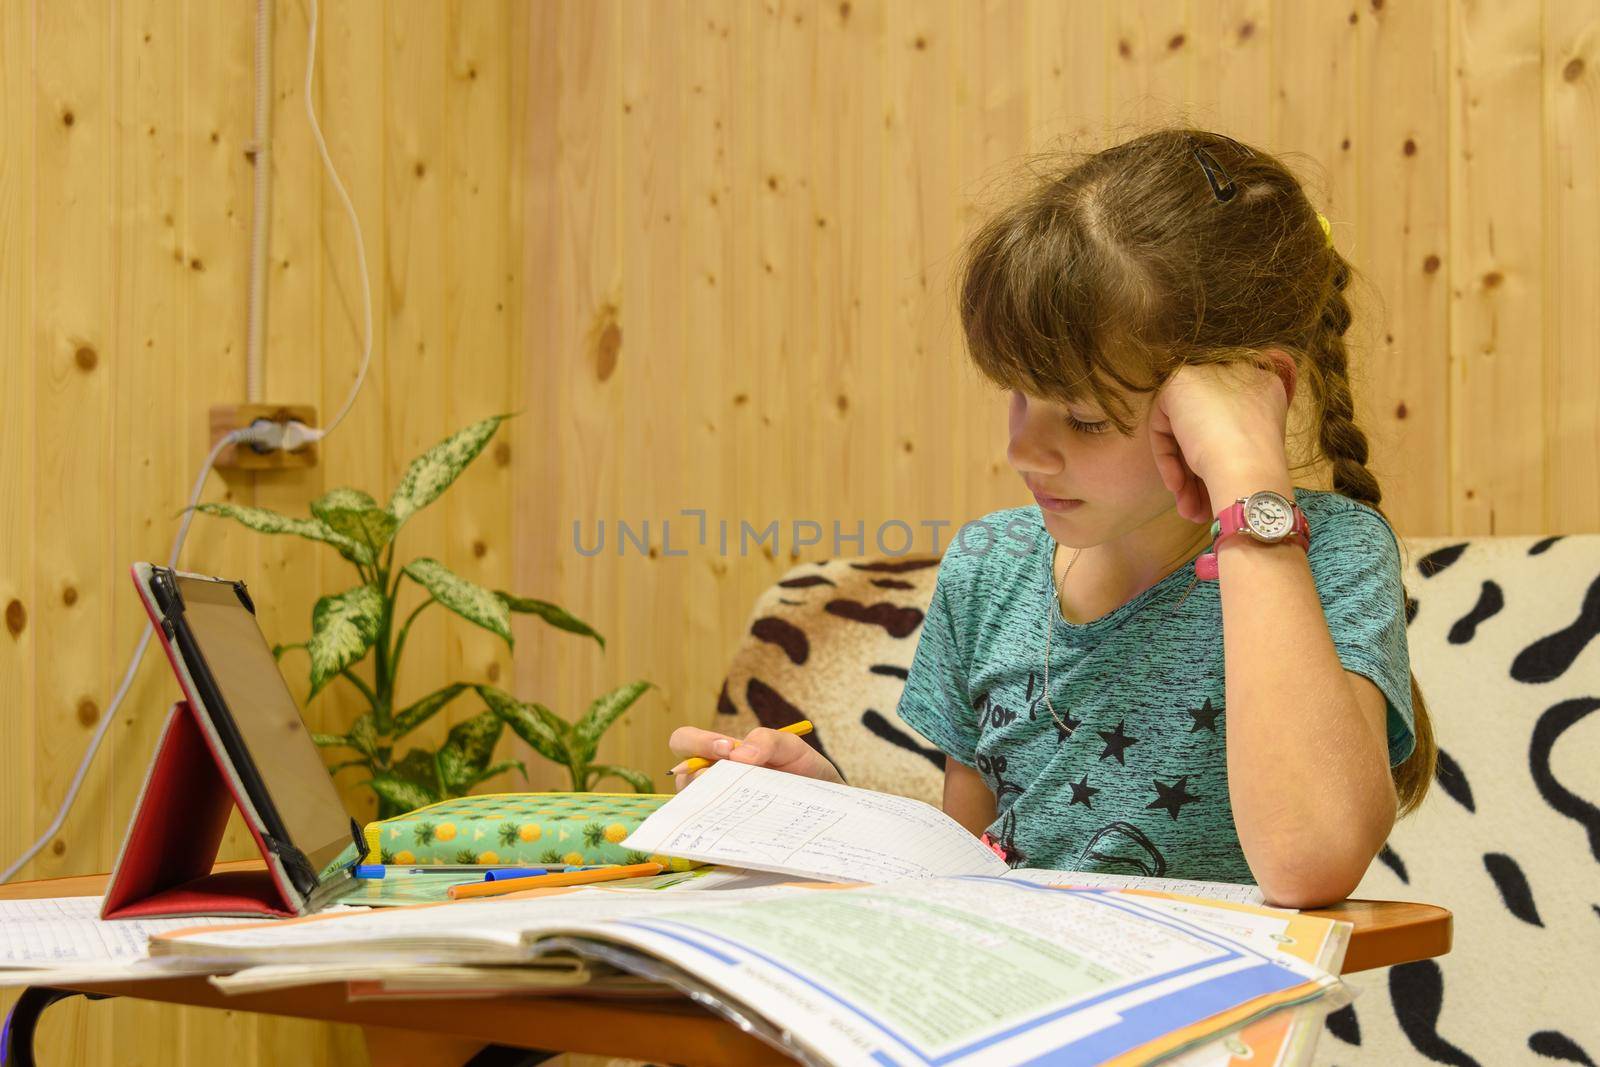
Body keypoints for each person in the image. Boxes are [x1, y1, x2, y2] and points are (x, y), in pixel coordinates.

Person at [669, 128, 1437, 909]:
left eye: (1084, 418)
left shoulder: (1330, 554)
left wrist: (1246, 472)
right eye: (1017, 396)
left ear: (1246, 390)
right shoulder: (991, 567)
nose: (1024, 450)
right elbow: (967, 876)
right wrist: (826, 817)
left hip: (1219, 1023)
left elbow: (1310, 860)